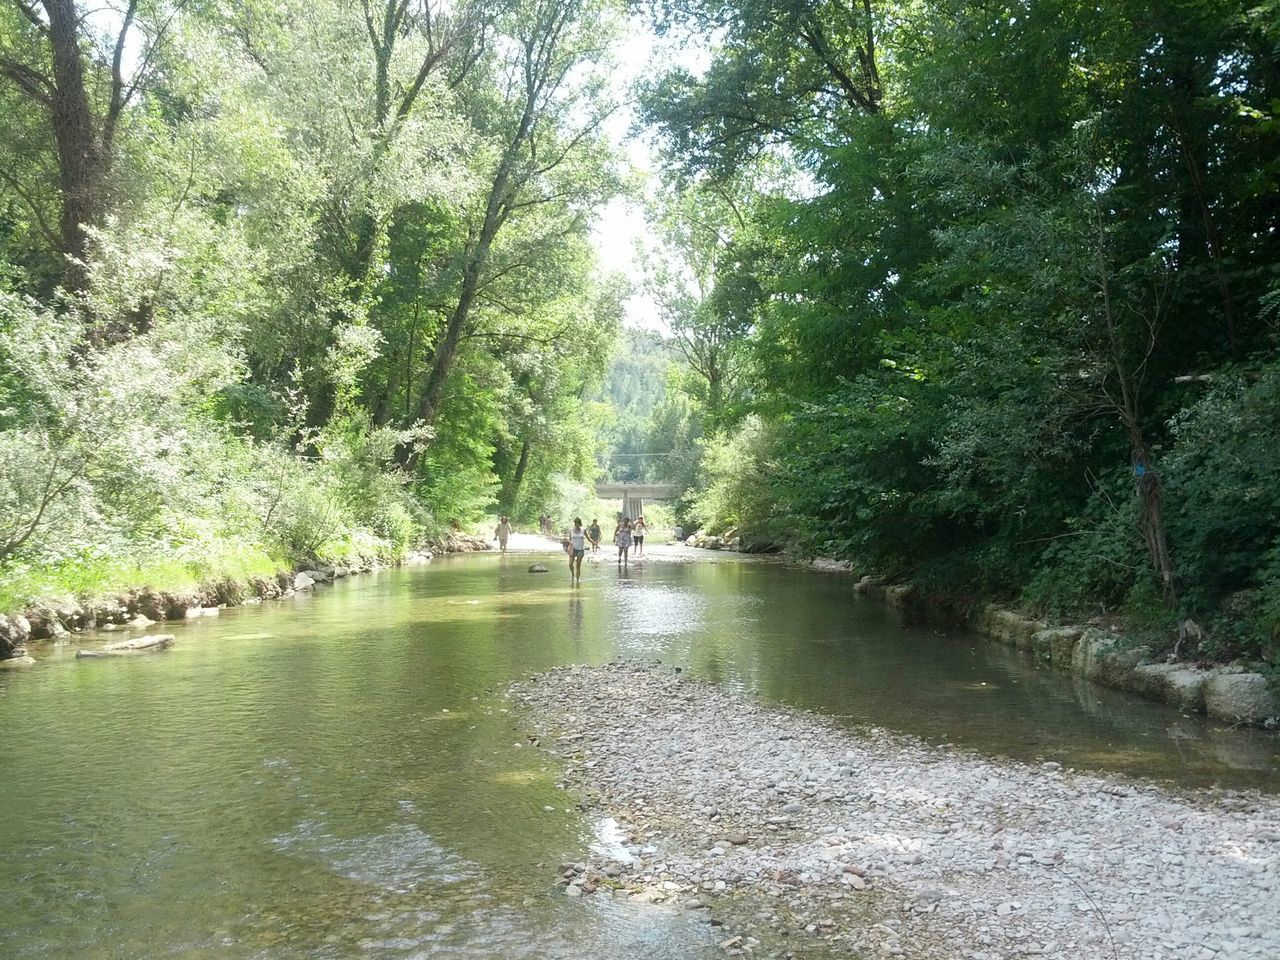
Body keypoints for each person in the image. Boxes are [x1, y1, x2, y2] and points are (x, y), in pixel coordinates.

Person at [567, 517, 588, 581]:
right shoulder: (571, 530)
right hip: (573, 549)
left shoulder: (583, 530)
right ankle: (573, 574)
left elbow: (588, 538)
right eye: (576, 523)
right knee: (570, 564)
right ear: (574, 523)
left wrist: (595, 544)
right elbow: (570, 540)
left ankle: (577, 580)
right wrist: (567, 545)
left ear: (580, 523)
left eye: (578, 523)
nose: (577, 525)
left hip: (580, 550)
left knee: (578, 565)